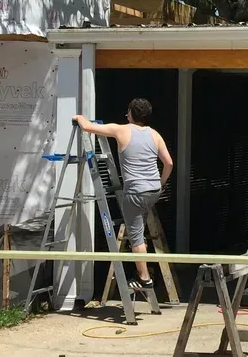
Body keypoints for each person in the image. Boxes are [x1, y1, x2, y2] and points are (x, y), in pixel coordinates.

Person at [74, 98, 174, 293]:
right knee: (140, 227)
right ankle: (144, 263)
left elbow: (86, 127)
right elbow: (168, 163)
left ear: (130, 113)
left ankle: (144, 278)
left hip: (135, 192)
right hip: (153, 191)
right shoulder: (155, 135)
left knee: (135, 236)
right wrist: (160, 184)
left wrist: (78, 116)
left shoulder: (121, 130)